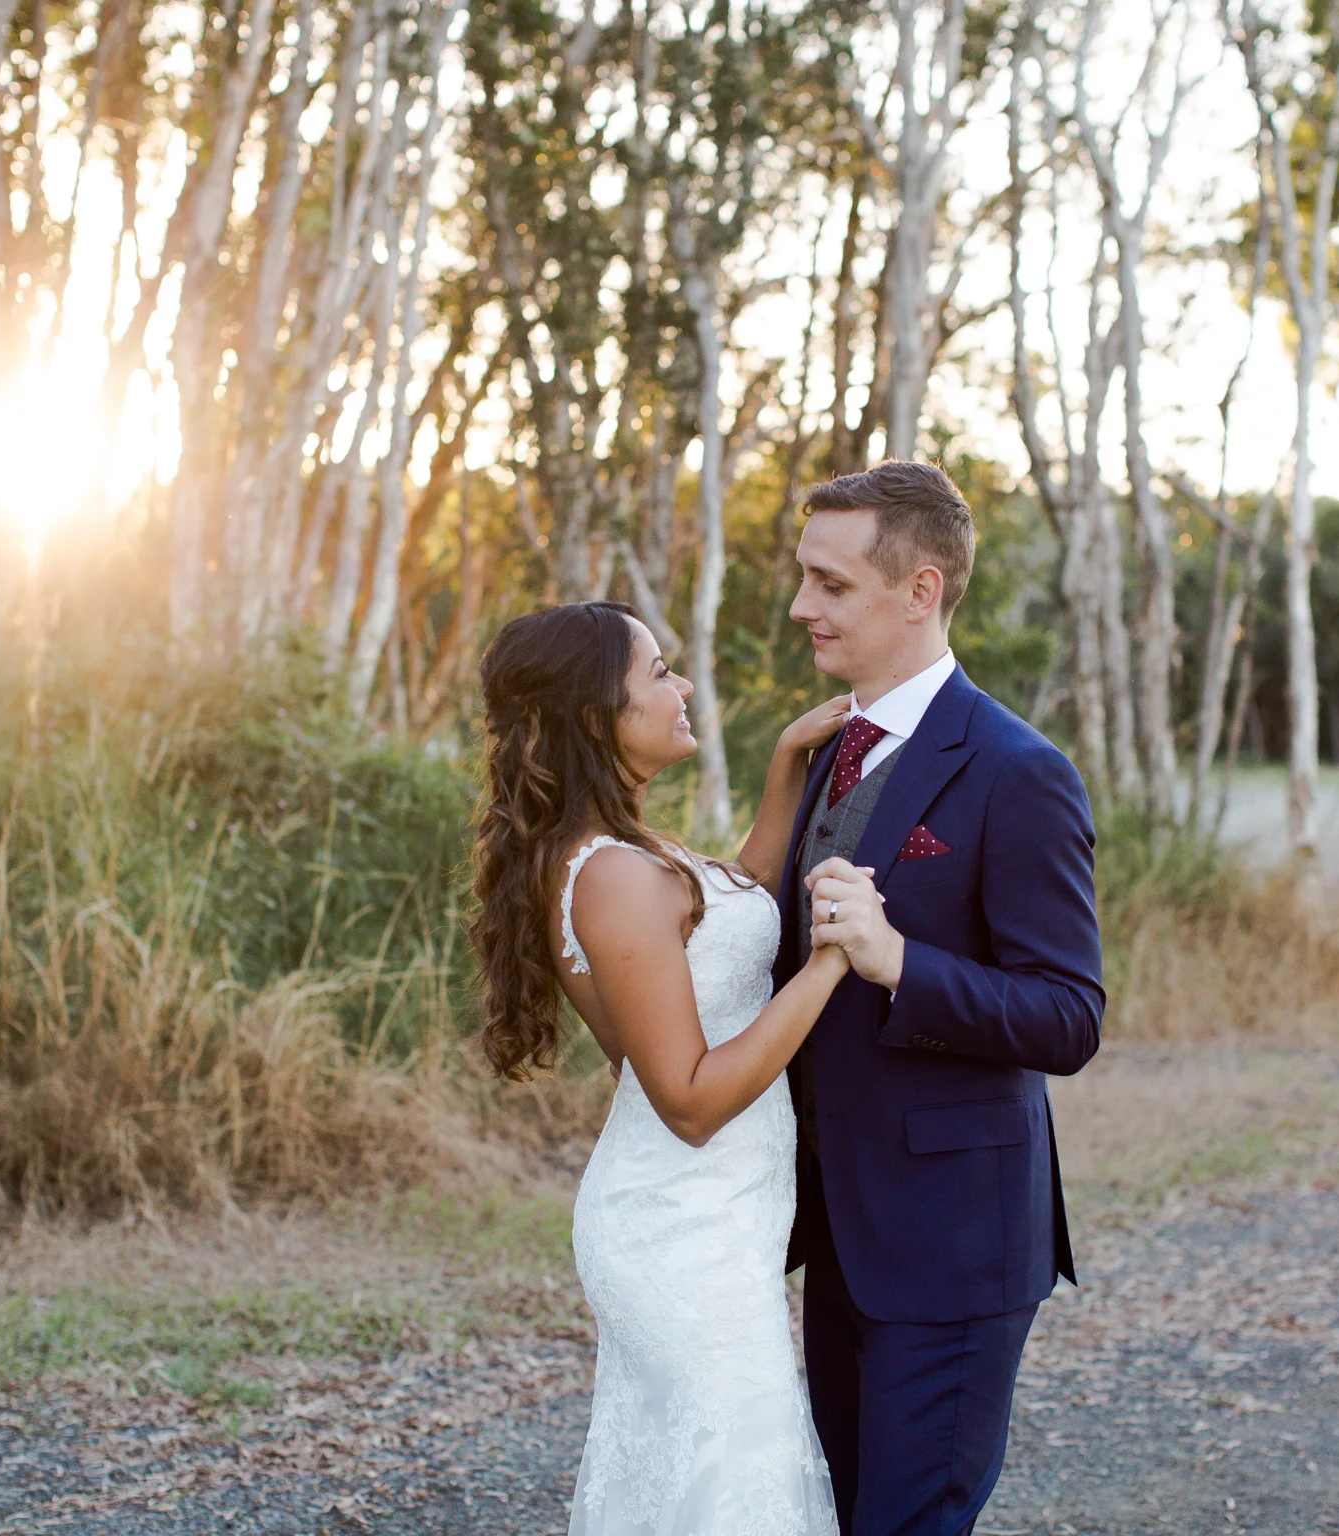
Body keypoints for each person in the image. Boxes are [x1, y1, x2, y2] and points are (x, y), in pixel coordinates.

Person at [469, 598, 859, 1535]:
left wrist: (785, 772)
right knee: (735, 1484)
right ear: (597, 713)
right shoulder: (611, 875)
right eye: (658, 673)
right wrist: (832, 964)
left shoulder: (625, 856)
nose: (681, 687)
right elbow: (687, 1099)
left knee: (712, 1487)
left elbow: (729, 916)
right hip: (682, 1231)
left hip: (711, 1220)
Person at [783, 461, 1104, 1535]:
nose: (801, 606)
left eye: (831, 584)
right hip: (836, 1230)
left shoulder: (1019, 770)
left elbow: (1068, 1015)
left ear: (919, 590)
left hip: (954, 1242)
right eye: (805, 580)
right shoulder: (828, 748)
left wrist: (900, 961)